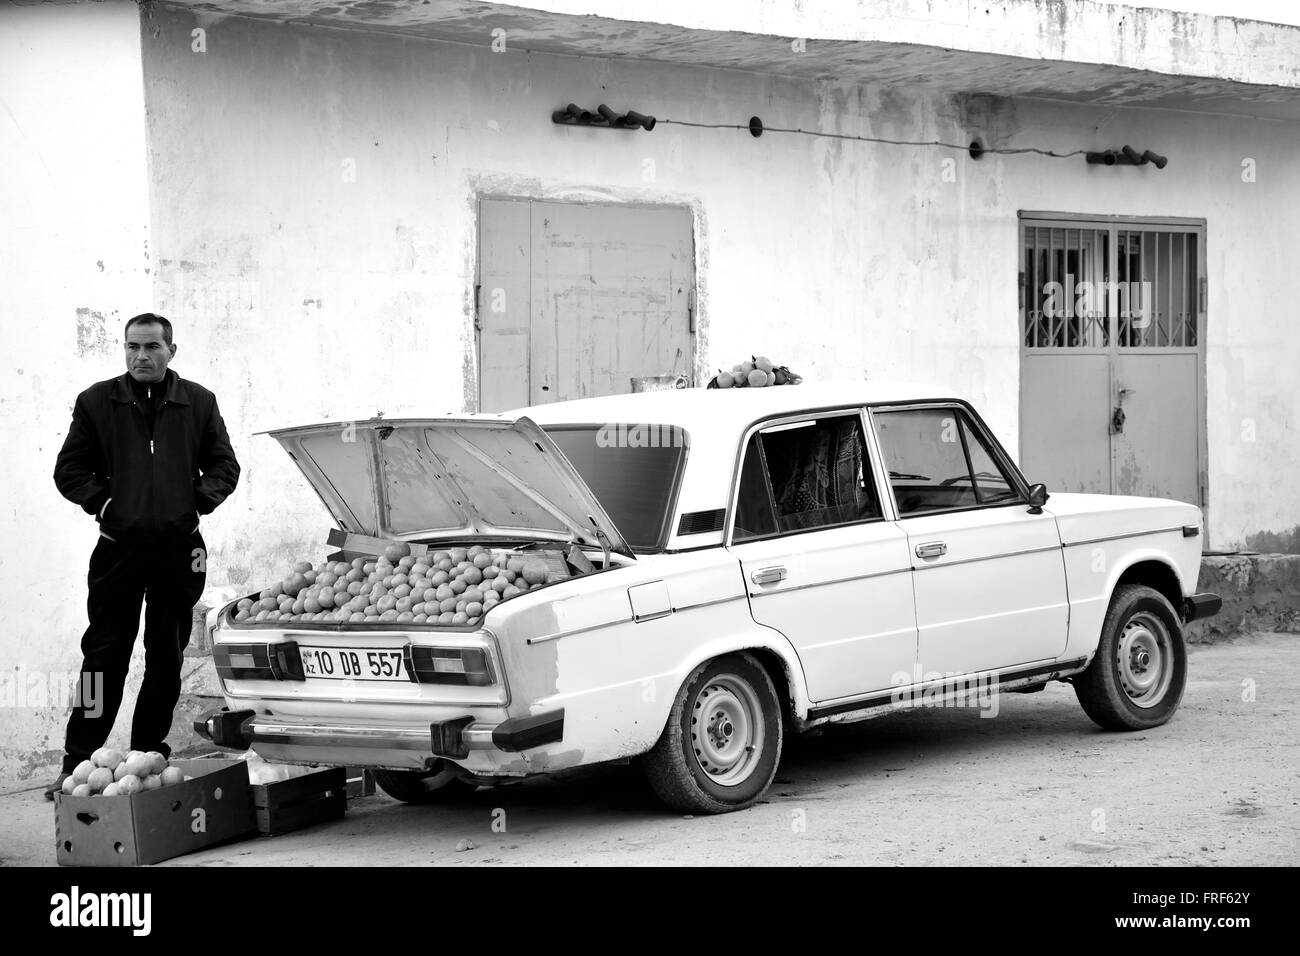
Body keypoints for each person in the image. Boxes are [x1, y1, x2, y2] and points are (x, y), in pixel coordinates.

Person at [46, 313, 240, 798]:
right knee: (103, 656)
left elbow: (224, 466)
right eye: (133, 347)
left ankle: (148, 759)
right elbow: (70, 470)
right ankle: (76, 764)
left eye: (152, 346)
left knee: (165, 656)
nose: (141, 356)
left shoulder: (197, 402)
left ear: (171, 349)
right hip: (117, 551)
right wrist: (107, 505)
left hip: (180, 551)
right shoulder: (97, 402)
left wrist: (193, 502)